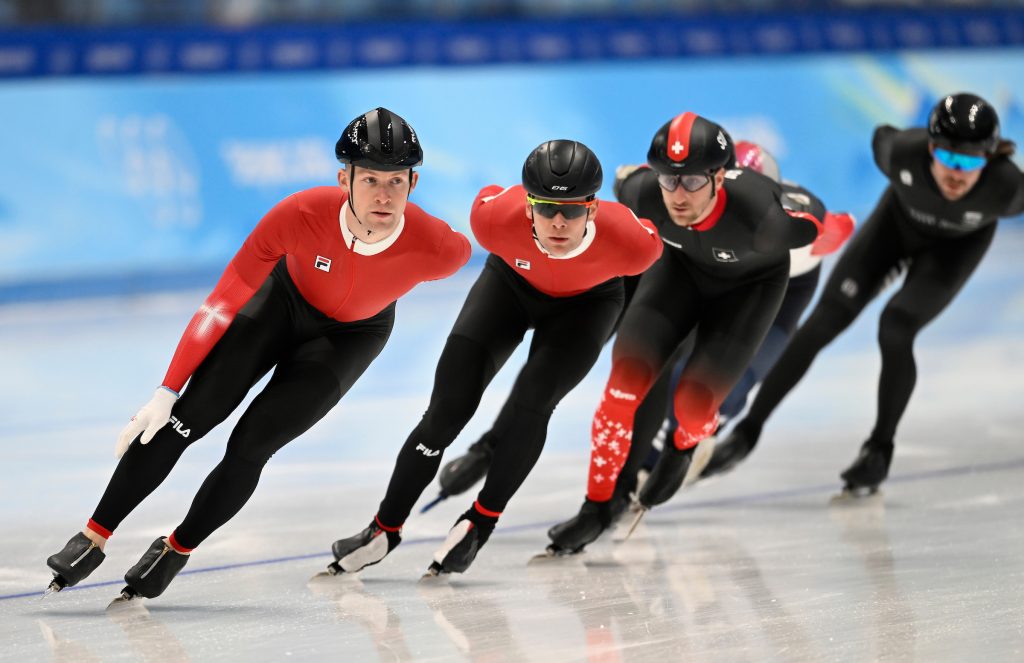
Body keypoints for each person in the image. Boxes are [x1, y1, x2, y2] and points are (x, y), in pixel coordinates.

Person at [44, 107, 471, 601]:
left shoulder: (441, 249)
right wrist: (167, 389)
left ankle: (177, 549)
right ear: (344, 179)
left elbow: (493, 234)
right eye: (370, 179)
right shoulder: (299, 214)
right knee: (186, 417)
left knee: (252, 445)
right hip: (279, 305)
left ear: (414, 183)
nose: (383, 195)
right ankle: (94, 535)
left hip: (351, 338)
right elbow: (222, 300)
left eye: (396, 181)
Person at [428, 142, 854, 505]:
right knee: (588, 352)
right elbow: (628, 191)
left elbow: (840, 228)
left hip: (760, 291)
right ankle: (492, 444)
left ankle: (650, 467)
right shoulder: (684, 197)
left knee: (713, 385)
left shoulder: (785, 224)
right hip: (679, 268)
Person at [324, 139, 662, 577]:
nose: (559, 223)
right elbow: (487, 197)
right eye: (546, 209)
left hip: (587, 306)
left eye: (572, 211)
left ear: (593, 209)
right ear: (528, 207)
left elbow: (663, 257)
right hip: (510, 288)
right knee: (446, 411)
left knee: (534, 403)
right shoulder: (493, 220)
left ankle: (480, 523)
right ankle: (383, 528)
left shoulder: (634, 245)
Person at [544, 112, 826, 555]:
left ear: (720, 178)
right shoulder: (644, 192)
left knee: (694, 405)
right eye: (669, 180)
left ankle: (683, 446)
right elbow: (623, 180)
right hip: (680, 274)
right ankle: (594, 508)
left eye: (692, 181)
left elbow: (824, 221)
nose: (678, 195)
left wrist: (819, 219)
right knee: (621, 389)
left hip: (750, 292)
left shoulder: (766, 219)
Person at [715, 92, 1024, 494]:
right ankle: (747, 432)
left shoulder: (1007, 189)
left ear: (990, 159)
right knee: (823, 321)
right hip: (893, 230)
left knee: (896, 327)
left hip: (953, 252)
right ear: (930, 148)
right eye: (948, 157)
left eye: (970, 163)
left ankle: (878, 450)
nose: (956, 173)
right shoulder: (901, 152)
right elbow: (881, 135)